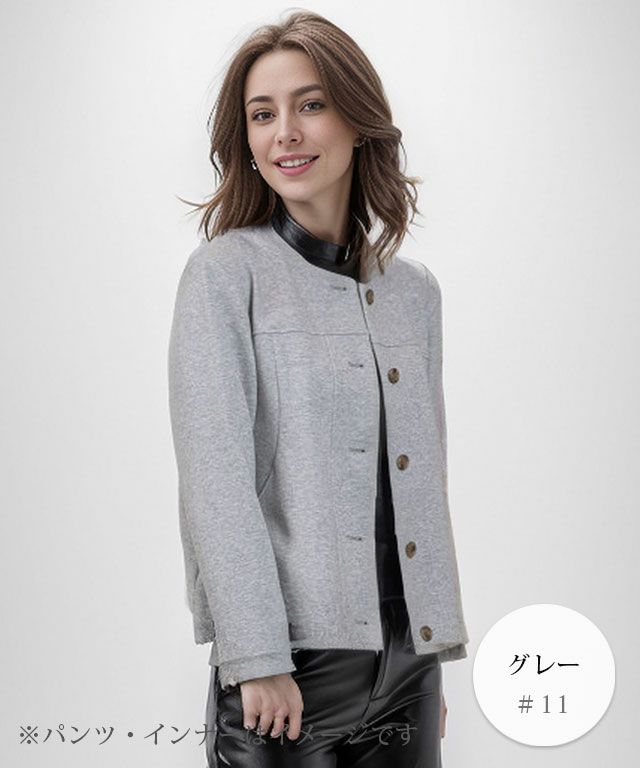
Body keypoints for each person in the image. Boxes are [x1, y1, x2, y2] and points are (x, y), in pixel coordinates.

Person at [168, 10, 469, 767]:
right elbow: (215, 481)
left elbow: (421, 477)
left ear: (358, 121)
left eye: (310, 104)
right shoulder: (225, 276)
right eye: (262, 115)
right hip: (288, 667)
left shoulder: (414, 294)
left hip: (407, 664)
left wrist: (425, 655)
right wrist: (255, 656)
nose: (286, 134)